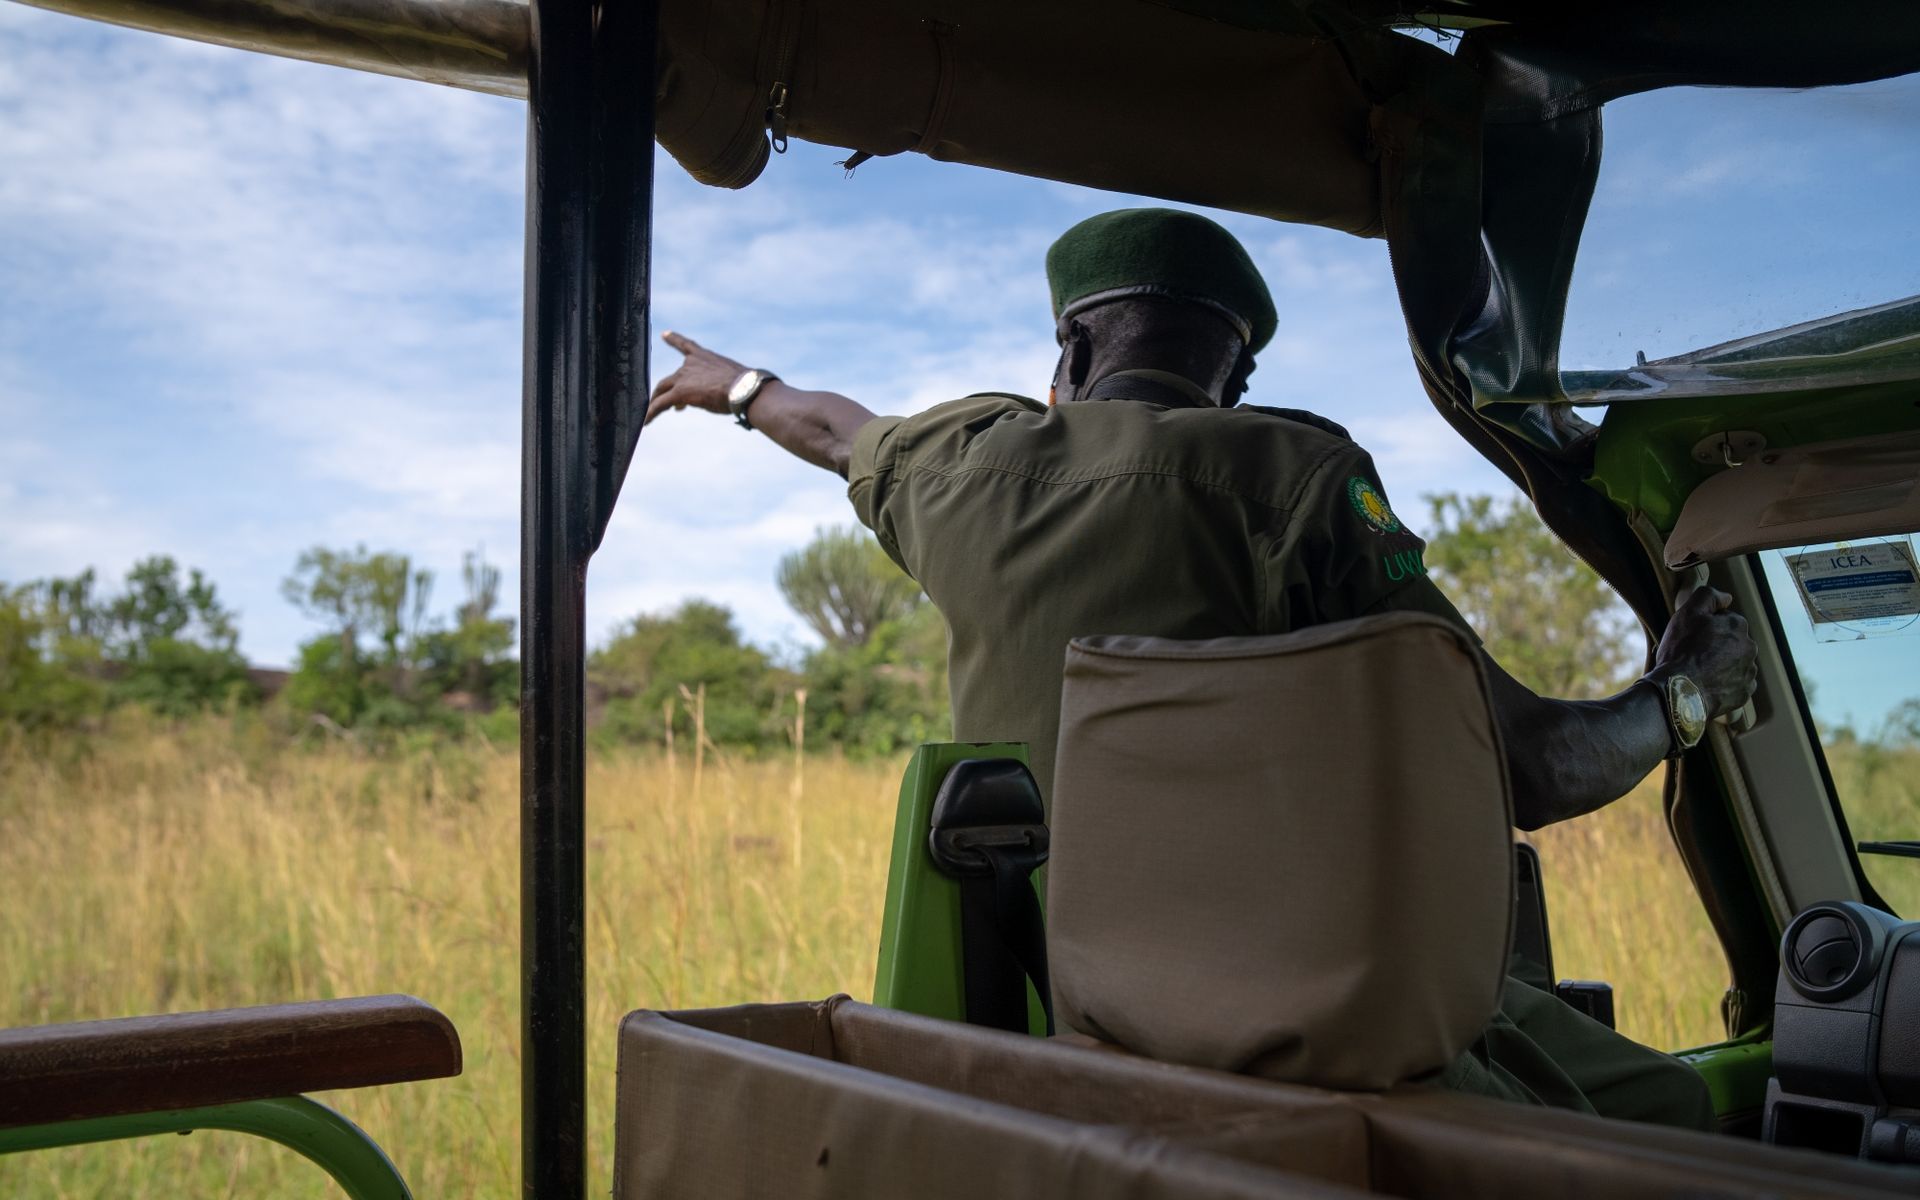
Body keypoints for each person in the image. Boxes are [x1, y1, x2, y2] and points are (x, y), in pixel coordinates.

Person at [646, 207, 1758, 1129]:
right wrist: (1685, 694)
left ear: (1070, 353)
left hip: (1044, 1021)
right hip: (1305, 1037)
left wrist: (736, 387)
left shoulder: (955, 469)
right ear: (1236, 372)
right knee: (1676, 1111)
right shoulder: (1315, 479)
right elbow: (1532, 768)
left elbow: (838, 428)